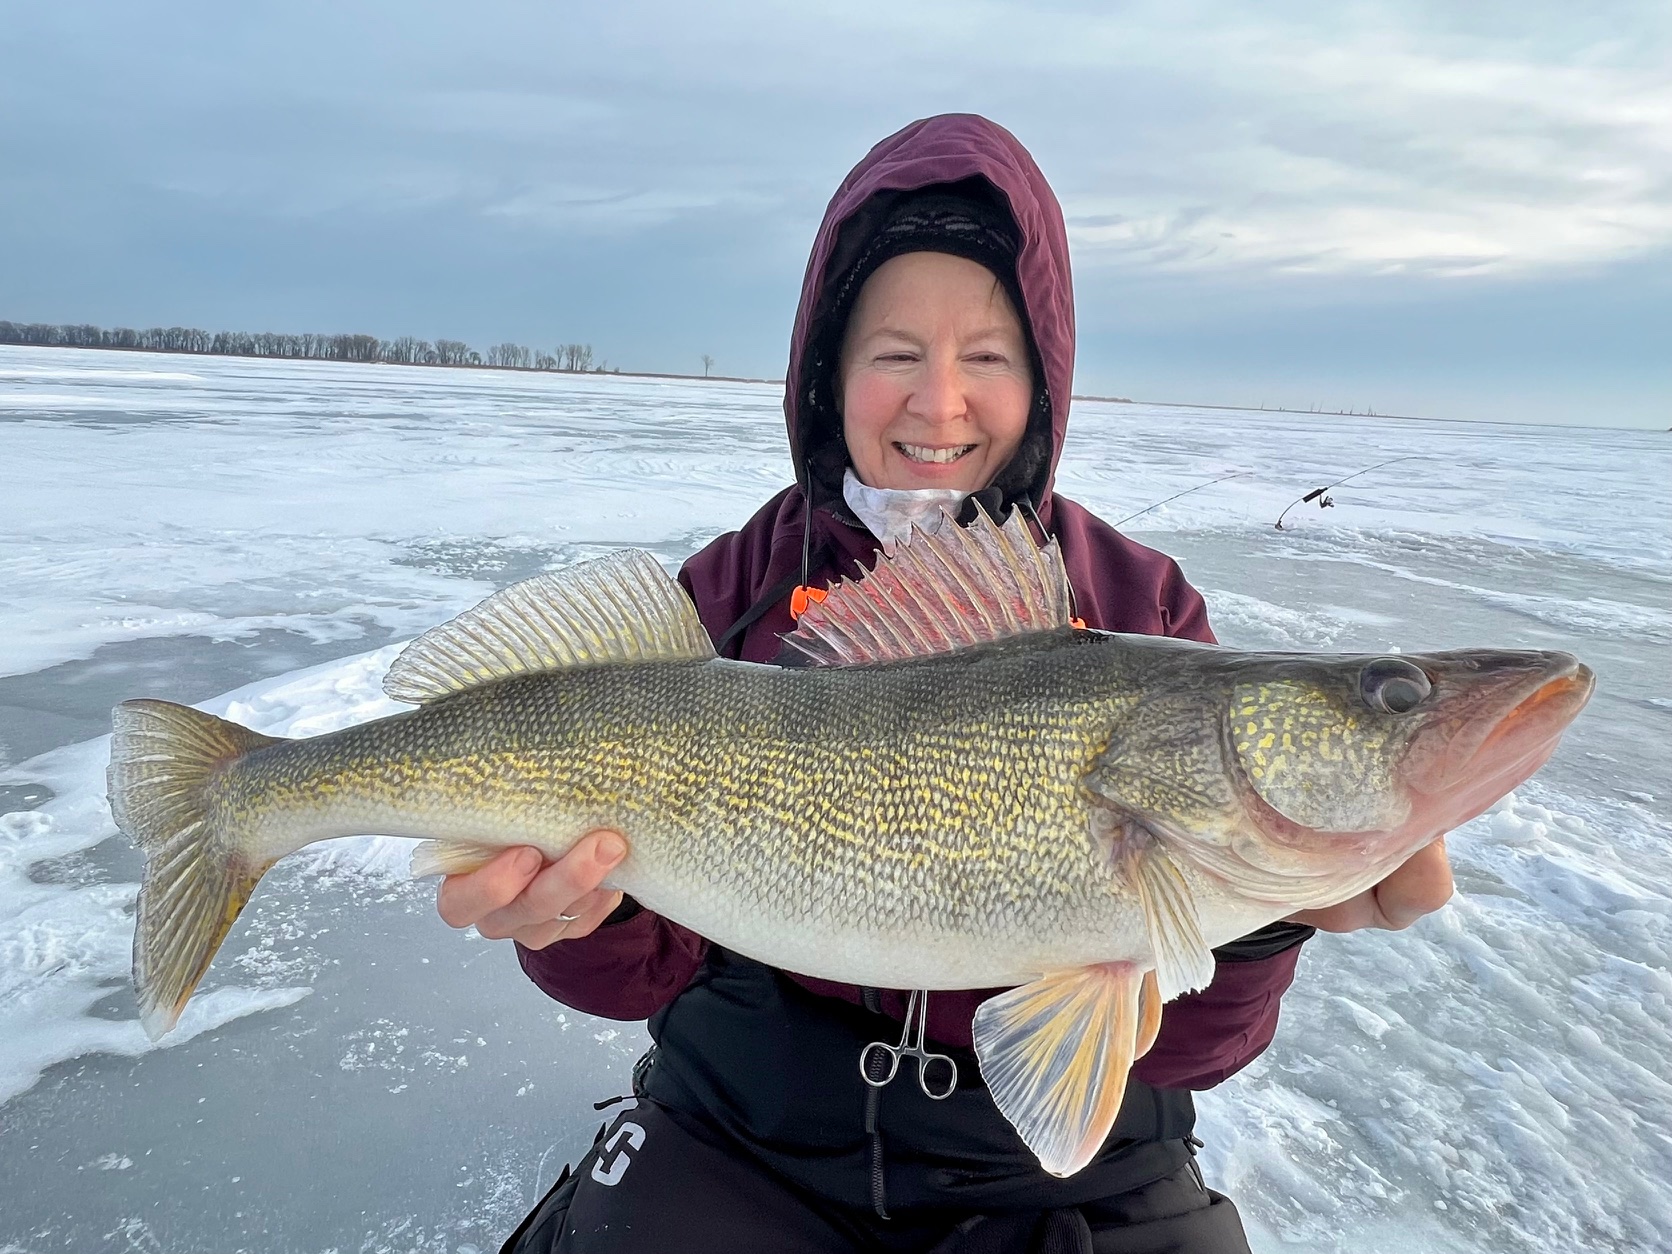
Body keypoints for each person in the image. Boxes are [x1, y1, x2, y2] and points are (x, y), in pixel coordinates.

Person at [438, 114, 1455, 1253]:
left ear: (1041, 378)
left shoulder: (1140, 602)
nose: (939, 403)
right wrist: (577, 919)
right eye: (892, 354)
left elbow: (1182, 1051)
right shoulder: (724, 593)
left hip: (1058, 1175)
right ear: (828, 374)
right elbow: (634, 978)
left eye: (986, 356)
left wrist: (1264, 919)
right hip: (744, 1120)